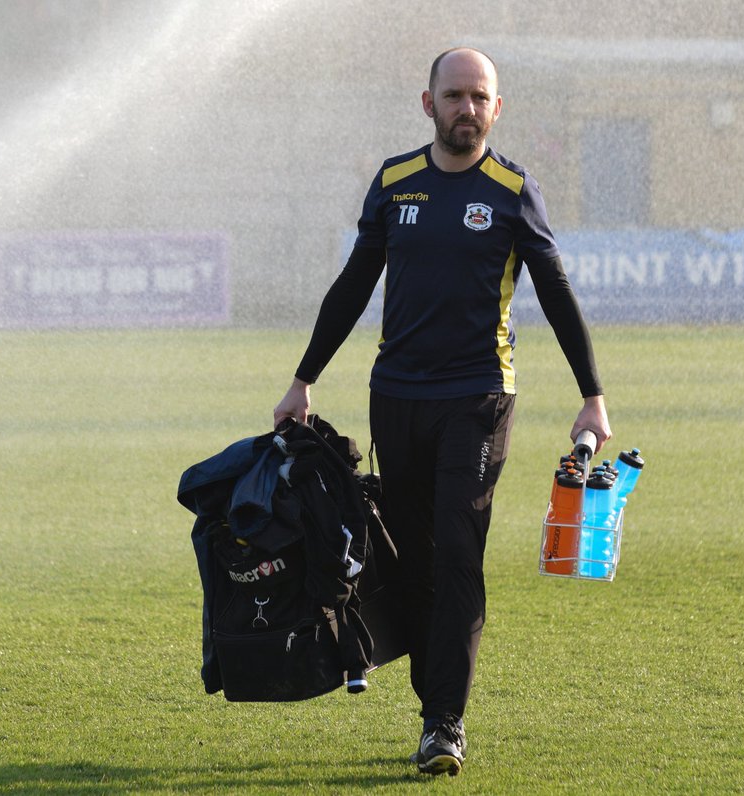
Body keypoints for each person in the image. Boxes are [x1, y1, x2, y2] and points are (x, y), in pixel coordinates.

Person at [273, 46, 611, 776]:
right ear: (428, 104)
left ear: (497, 108)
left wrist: (592, 396)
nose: (467, 108)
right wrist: (304, 379)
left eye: (479, 97)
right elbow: (355, 282)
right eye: (454, 95)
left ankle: (444, 723)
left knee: (460, 549)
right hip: (395, 395)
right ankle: (435, 707)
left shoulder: (514, 190)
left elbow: (555, 294)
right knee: (415, 560)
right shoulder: (395, 184)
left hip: (479, 395)